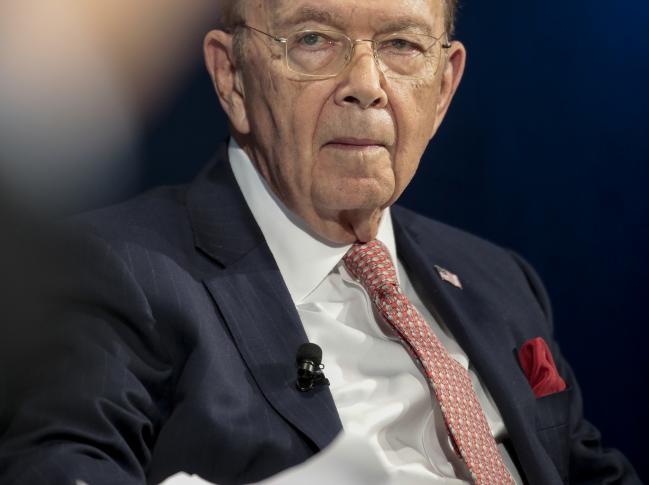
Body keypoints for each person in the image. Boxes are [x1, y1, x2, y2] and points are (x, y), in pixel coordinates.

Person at [0, 0, 640, 484]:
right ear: (232, 77)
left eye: (401, 45)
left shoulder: (499, 279)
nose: (366, 82)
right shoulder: (112, 272)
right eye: (313, 40)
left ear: (444, 89)